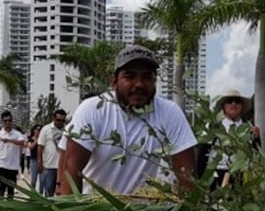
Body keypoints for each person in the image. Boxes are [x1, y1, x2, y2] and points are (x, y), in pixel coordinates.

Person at [61, 45, 197, 195]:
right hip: (94, 210)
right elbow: (71, 170)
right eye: (130, 76)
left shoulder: (169, 113)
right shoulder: (93, 110)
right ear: (114, 81)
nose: (139, 84)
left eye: (146, 77)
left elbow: (187, 177)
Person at [212, 89, 259, 188]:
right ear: (223, 106)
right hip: (218, 173)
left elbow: (255, 153)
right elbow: (203, 153)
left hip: (241, 174)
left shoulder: (248, 127)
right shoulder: (214, 126)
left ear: (242, 106)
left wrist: (257, 138)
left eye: (237, 101)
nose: (233, 104)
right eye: (229, 101)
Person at [0, 111, 27, 198]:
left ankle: (10, 207)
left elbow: (22, 142)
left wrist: (9, 140)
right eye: (5, 121)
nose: (8, 123)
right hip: (2, 164)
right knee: (2, 186)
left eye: (9, 120)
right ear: (2, 122)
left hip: (13, 165)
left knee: (11, 187)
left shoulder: (17, 134)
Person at [36, 110, 67, 197]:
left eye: (63, 120)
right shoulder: (46, 129)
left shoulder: (67, 131)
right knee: (49, 190)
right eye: (58, 120)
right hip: (49, 165)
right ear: (54, 119)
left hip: (63, 166)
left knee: (62, 192)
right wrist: (39, 162)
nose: (60, 122)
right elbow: (40, 146)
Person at [25, 124, 42, 190]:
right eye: (38, 129)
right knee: (33, 180)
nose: (39, 131)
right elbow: (30, 147)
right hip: (34, 160)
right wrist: (36, 140)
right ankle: (32, 194)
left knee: (42, 180)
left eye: (40, 129)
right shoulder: (30, 139)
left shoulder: (43, 138)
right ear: (34, 130)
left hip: (42, 160)